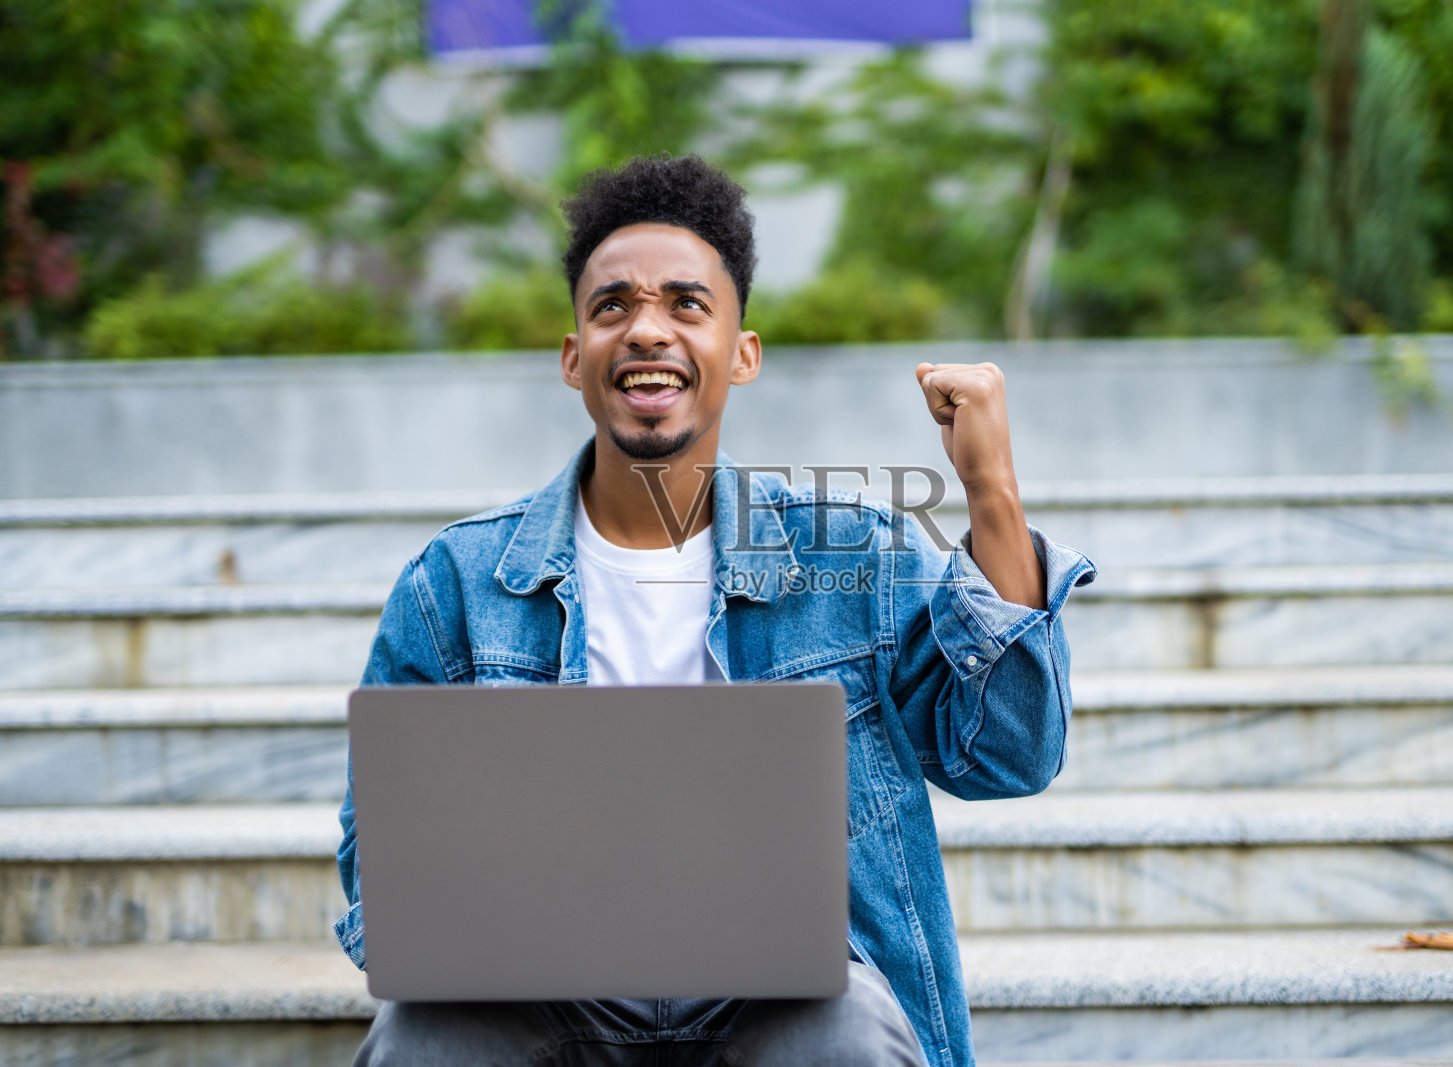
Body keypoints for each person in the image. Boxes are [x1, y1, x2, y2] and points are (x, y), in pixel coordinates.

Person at [336, 153, 1096, 1067]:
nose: (646, 330)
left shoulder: (850, 555)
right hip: (550, 1002)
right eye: (612, 306)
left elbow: (1009, 756)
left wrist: (990, 490)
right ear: (575, 356)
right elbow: (376, 863)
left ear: (743, 354)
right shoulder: (454, 583)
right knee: (419, 1035)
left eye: (686, 304)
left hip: (792, 1000)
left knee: (849, 1034)